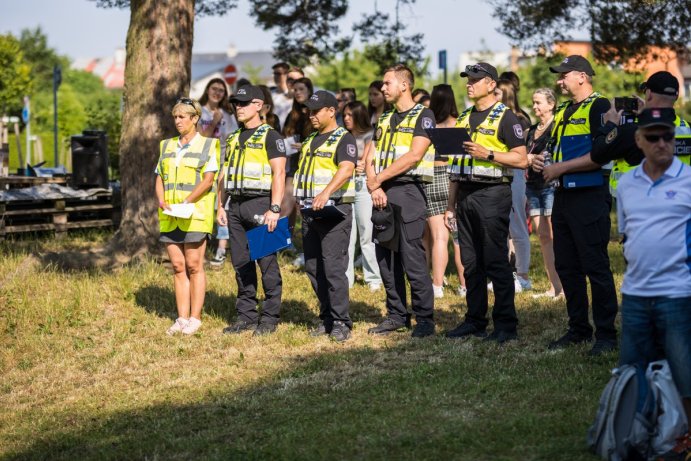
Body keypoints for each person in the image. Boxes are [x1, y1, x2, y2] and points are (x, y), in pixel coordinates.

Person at [533, 55, 618, 356]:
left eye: (564, 76)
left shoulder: (600, 106)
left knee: (595, 266)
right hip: (564, 197)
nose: (559, 81)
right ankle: (578, 328)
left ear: (582, 76)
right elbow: (557, 148)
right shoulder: (566, 110)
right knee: (567, 265)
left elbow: (600, 154)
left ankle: (606, 334)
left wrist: (560, 168)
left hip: (590, 196)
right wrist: (545, 161)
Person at [616, 107, 691, 448]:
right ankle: (638, 434)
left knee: (685, 373)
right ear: (638, 141)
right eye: (654, 137)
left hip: (678, 293)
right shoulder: (627, 184)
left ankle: (687, 438)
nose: (663, 143)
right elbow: (626, 234)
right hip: (634, 294)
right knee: (633, 372)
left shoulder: (688, 181)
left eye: (668, 137)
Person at [444, 62, 527, 344]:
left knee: (495, 261)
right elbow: (456, 165)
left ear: (491, 85)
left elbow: (521, 158)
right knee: (470, 264)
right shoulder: (464, 117)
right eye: (467, 79)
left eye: (476, 80)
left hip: (493, 194)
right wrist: (450, 205)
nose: (469, 84)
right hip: (465, 195)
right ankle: (475, 320)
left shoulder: (506, 118)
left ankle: (505, 325)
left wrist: (488, 153)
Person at [364, 63, 436, 338]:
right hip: (381, 191)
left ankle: (425, 319)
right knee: (385, 257)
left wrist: (378, 179)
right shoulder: (383, 118)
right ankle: (396, 315)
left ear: (404, 85)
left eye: (387, 83)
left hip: (409, 191)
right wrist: (375, 187)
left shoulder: (423, 115)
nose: (382, 88)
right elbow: (369, 157)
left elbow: (415, 155)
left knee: (411, 257)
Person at [218, 85, 287, 336]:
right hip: (235, 205)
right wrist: (220, 205)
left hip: (261, 205)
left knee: (266, 263)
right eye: (236, 103)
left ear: (258, 105)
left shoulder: (271, 136)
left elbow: (279, 173)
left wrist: (275, 208)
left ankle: (269, 318)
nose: (239, 107)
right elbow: (224, 175)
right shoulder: (234, 137)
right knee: (241, 263)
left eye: (244, 103)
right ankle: (246, 316)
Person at [294, 91, 357, 341]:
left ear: (332, 111)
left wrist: (326, 192)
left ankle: (342, 321)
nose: (311, 115)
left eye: (316, 111)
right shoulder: (310, 140)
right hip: (310, 212)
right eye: (309, 111)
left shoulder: (344, 138)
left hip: (334, 210)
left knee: (333, 268)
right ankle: (327, 317)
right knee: (313, 267)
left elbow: (347, 168)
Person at [155, 97, 220, 335]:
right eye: (175, 116)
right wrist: (161, 201)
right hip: (170, 215)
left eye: (183, 116)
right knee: (178, 266)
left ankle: (196, 317)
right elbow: (159, 177)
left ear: (195, 119)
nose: (178, 121)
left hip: (195, 214)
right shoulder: (166, 145)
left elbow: (208, 180)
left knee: (194, 265)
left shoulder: (209, 146)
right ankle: (181, 318)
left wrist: (186, 201)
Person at [592, 71, 690, 196]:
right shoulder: (687, 129)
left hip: (638, 203)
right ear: (676, 96)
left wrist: (609, 125)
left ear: (648, 94)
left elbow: (597, 154)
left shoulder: (633, 131)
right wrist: (646, 115)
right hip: (678, 202)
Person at [525, 88, 563, 299]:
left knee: (554, 235)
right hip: (533, 186)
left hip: (551, 185)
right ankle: (553, 286)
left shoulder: (557, 127)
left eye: (538, 102)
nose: (534, 107)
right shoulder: (531, 130)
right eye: (533, 102)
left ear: (551, 104)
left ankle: (564, 286)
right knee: (543, 236)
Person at [495, 78, 532, 292]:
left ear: (506, 95)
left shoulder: (519, 119)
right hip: (497, 174)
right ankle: (506, 271)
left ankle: (523, 275)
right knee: (501, 227)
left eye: (498, 93)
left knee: (517, 223)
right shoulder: (493, 118)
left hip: (516, 174)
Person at [196, 78, 238, 267]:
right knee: (203, 205)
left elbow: (232, 140)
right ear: (207, 89)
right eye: (214, 88)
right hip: (201, 164)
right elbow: (200, 140)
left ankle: (221, 249)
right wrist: (214, 122)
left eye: (222, 90)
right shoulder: (198, 111)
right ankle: (199, 246)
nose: (217, 93)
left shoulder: (228, 115)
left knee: (222, 205)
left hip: (221, 164)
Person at [344, 100, 381, 291]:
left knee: (367, 232)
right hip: (345, 186)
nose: (346, 118)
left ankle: (373, 278)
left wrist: (362, 164)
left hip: (363, 186)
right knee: (347, 235)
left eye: (350, 115)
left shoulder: (371, 134)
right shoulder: (343, 136)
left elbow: (369, 159)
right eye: (344, 115)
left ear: (359, 115)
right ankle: (346, 279)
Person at [425, 84, 456, 298]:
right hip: (453, 179)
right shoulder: (458, 123)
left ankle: (437, 286)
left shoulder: (428, 126)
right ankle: (465, 286)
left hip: (432, 177)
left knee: (438, 237)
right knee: (459, 237)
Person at [282, 77, 314, 236]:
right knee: (285, 206)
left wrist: (305, 146)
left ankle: (306, 246)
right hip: (293, 165)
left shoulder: (316, 112)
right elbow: (284, 136)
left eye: (302, 89)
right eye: (295, 90)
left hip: (313, 167)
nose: (298, 93)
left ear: (309, 90)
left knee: (307, 209)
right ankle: (281, 244)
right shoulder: (292, 115)